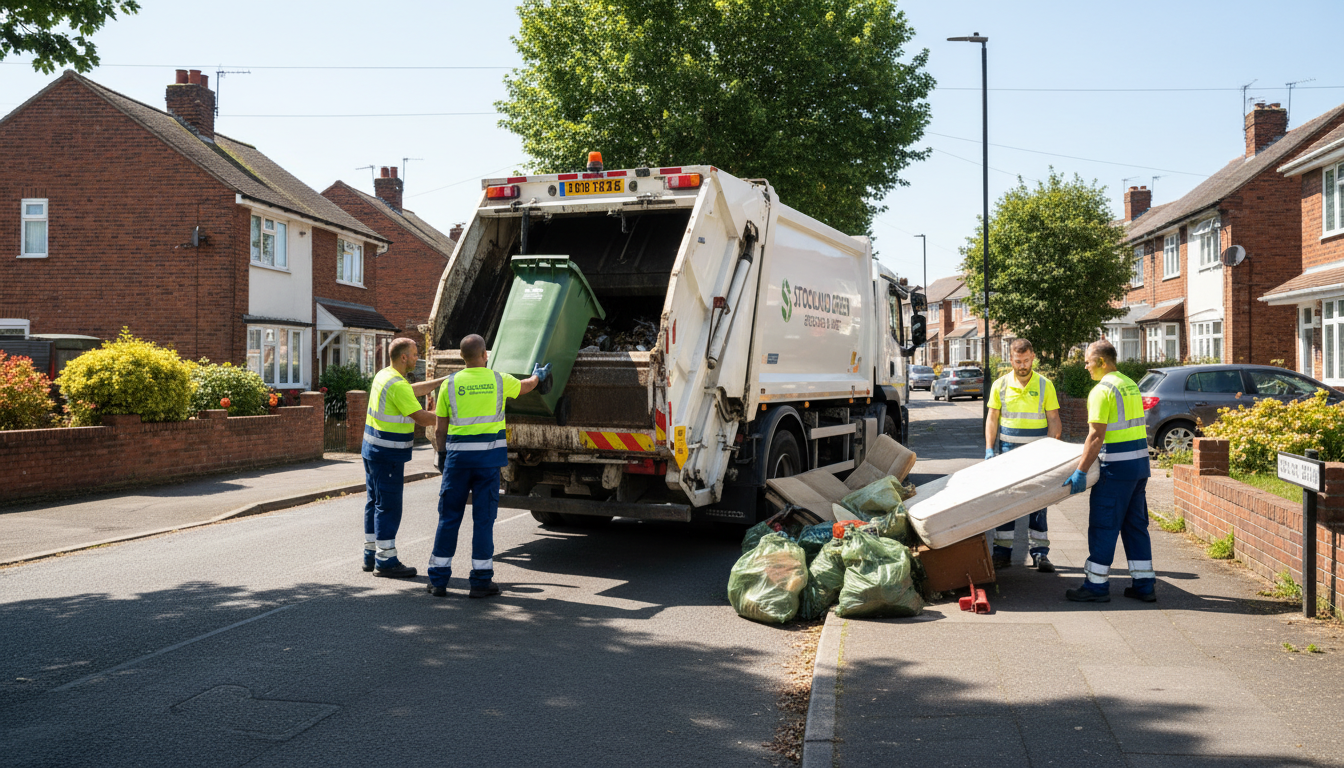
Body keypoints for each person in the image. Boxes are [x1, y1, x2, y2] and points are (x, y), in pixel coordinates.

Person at [426, 334, 551, 598]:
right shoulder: (498, 379)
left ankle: (438, 581)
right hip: (487, 464)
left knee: (449, 518)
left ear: (462, 357)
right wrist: (538, 376)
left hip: (458, 463)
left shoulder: (448, 384)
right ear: (485, 355)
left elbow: (440, 428)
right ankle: (481, 582)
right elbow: (526, 386)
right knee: (483, 521)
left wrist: (441, 454)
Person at [1062, 339, 1156, 603]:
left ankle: (1096, 585)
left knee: (1104, 525)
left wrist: (1080, 471)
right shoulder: (1130, 384)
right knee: (1135, 526)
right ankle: (1144, 584)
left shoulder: (1101, 391)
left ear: (1102, 362)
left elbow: (1096, 436)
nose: (1085, 367)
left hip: (1115, 469)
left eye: (1088, 361)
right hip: (1138, 467)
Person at [361, 337, 448, 578]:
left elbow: (413, 391)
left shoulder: (384, 375)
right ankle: (386, 561)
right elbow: (420, 416)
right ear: (404, 357)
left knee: (374, 502)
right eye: (415, 353)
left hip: (372, 450)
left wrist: (441, 381)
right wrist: (450, 420)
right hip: (387, 454)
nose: (417, 356)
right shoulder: (397, 384)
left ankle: (371, 554)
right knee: (388, 507)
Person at [985, 339, 1062, 572]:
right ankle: (1002, 552)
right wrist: (990, 449)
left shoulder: (1045, 384)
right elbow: (992, 418)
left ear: (1033, 357)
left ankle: (1040, 553)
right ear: (1011, 360)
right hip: (1008, 453)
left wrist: (1053, 448)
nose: (1022, 366)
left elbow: (1054, 419)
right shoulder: (1000, 385)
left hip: (1037, 454)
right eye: (1018, 361)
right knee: (1006, 501)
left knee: (1038, 503)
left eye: (1026, 360)